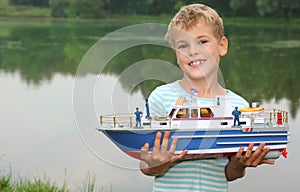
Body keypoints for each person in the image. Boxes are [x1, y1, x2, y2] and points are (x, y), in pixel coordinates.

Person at [139, 4, 274, 191]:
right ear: (175, 53)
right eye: (183, 45)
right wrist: (160, 163)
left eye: (202, 41)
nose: (193, 51)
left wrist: (240, 164)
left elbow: (230, 173)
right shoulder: (161, 97)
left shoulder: (239, 106)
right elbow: (146, 167)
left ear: (222, 46)